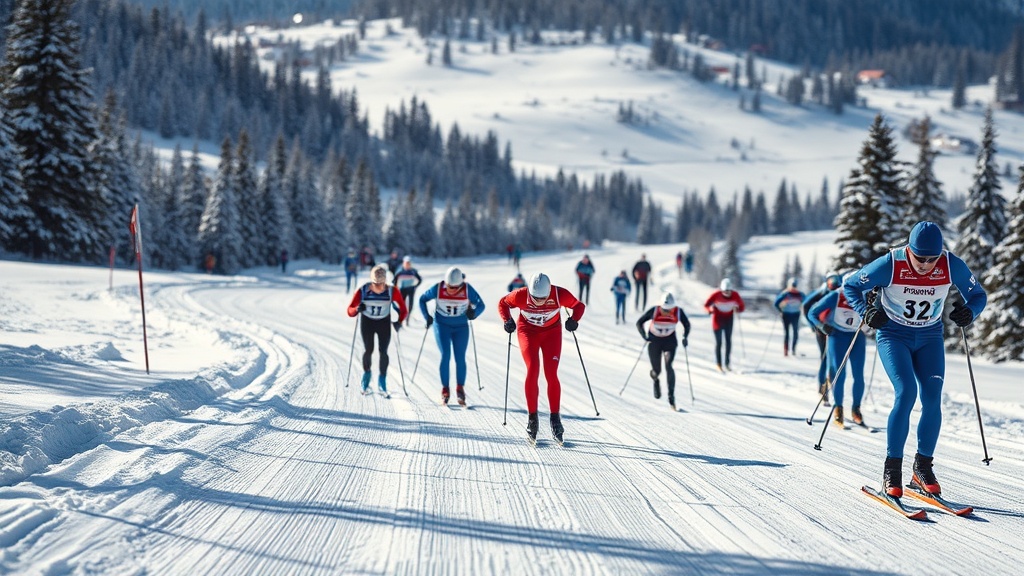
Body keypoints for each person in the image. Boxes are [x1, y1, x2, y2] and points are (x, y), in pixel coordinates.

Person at [844, 221, 986, 499]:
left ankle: (922, 469)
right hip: (893, 335)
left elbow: (978, 295)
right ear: (909, 250)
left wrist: (970, 311)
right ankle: (892, 470)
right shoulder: (890, 263)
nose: (925, 265)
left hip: (930, 337)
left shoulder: (950, 264)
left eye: (931, 259)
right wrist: (867, 311)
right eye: (920, 258)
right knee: (906, 392)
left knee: (932, 397)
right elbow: (850, 286)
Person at [498, 272, 585, 444]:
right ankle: (532, 418)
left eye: (543, 298)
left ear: (549, 291)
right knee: (533, 368)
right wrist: (507, 320)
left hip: (551, 334)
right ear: (530, 292)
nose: (539, 302)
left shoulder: (560, 294)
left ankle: (555, 419)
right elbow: (503, 303)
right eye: (535, 298)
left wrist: (574, 320)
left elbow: (579, 306)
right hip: (528, 332)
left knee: (551, 374)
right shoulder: (520, 295)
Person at [419, 266, 486, 405]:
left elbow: (481, 305)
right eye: (449, 286)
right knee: (445, 355)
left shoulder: (467, 289)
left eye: (455, 288)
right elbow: (422, 299)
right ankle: (445, 389)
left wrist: (474, 313)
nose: (451, 290)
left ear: (461, 284)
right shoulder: (438, 288)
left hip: (461, 327)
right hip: (442, 326)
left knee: (460, 357)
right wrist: (427, 317)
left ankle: (460, 389)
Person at [808, 272, 867, 427]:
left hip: (856, 336)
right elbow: (812, 312)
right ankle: (838, 408)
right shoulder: (836, 295)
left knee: (858, 375)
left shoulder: (865, 294)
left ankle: (856, 409)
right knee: (839, 373)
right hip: (837, 335)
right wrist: (822, 326)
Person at [346, 264, 408, 395]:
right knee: (368, 349)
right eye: (375, 284)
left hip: (384, 322)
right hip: (367, 322)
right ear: (371, 281)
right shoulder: (363, 290)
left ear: (385, 281)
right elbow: (350, 310)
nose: (379, 287)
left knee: (383, 351)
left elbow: (403, 309)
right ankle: (366, 379)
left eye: (381, 284)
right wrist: (357, 310)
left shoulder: (392, 291)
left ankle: (382, 382)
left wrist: (399, 322)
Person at [636, 292, 691, 410]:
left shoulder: (678, 311)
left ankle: (671, 398)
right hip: (654, 342)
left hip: (669, 341)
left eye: (669, 309)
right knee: (657, 370)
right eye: (665, 309)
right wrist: (644, 336)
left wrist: (685, 336)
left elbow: (687, 324)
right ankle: (655, 379)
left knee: (669, 365)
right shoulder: (654, 311)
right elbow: (639, 322)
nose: (667, 311)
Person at [803, 272, 842, 404]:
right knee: (825, 357)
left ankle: (828, 387)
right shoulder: (821, 292)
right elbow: (805, 306)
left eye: (837, 280)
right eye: (832, 280)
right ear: (827, 281)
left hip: (836, 330)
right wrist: (815, 325)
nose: (835, 283)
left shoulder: (839, 292)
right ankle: (821, 387)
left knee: (834, 361)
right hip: (822, 330)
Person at [704, 278, 745, 372]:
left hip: (728, 319)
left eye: (728, 291)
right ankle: (719, 364)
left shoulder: (735, 295)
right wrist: (710, 310)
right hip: (717, 319)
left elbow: (742, 307)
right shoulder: (716, 295)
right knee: (719, 342)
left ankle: (727, 363)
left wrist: (737, 309)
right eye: (725, 291)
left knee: (728, 342)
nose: (727, 293)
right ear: (721, 290)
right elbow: (706, 305)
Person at [774, 277, 805, 356]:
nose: (794, 288)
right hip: (786, 315)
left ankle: (793, 350)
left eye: (795, 286)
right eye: (792, 285)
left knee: (795, 332)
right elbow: (776, 303)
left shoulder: (800, 294)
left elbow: (806, 301)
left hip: (795, 314)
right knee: (787, 333)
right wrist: (780, 310)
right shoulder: (785, 294)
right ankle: (786, 350)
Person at [393, 256, 422, 326]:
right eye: (406, 263)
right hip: (402, 289)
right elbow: (394, 280)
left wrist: (415, 286)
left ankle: (408, 318)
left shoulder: (413, 271)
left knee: (410, 304)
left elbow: (420, 280)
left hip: (411, 289)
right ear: (404, 263)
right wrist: (396, 287)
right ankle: (401, 318)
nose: (408, 265)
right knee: (402, 305)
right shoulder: (400, 271)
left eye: (409, 263)